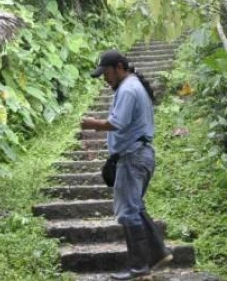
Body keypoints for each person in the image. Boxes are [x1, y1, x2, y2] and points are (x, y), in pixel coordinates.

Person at [81, 49, 173, 280]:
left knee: (129, 211)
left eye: (106, 73)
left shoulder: (128, 89)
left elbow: (117, 122)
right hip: (138, 155)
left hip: (133, 157)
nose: (105, 78)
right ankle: (158, 253)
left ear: (119, 67)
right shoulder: (131, 86)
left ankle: (139, 267)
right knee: (135, 207)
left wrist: (92, 123)